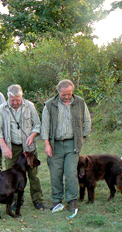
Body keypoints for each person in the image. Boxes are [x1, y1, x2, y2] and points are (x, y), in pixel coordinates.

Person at [41, 79, 91, 212]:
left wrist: (83, 138)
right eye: (64, 94)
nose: (67, 96)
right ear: (58, 92)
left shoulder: (80, 102)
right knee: (55, 174)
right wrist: (47, 144)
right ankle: (57, 200)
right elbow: (45, 126)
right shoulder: (49, 105)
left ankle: (72, 200)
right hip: (55, 144)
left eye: (69, 93)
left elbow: (87, 121)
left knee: (70, 173)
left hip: (72, 144)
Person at [0, 84, 45, 210]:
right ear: (8, 97)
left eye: (18, 100)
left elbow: (38, 125)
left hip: (28, 146)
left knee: (33, 174)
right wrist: (4, 147)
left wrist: (32, 136)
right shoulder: (1, 109)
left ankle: (38, 200)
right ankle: (16, 200)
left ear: (22, 96)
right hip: (11, 147)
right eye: (12, 100)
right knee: (12, 176)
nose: (15, 103)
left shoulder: (30, 106)